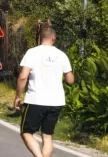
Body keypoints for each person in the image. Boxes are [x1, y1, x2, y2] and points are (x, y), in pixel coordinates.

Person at [14, 26, 74, 157]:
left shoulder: (32, 52)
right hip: (56, 101)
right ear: (53, 38)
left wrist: (18, 96)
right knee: (47, 136)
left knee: (26, 132)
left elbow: (23, 76)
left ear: (40, 38)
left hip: (36, 100)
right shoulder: (62, 55)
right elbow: (70, 80)